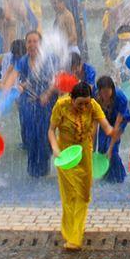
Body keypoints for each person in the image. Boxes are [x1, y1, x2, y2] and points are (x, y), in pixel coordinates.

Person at [49, 79, 115, 250]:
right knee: (70, 194)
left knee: (84, 196)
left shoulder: (92, 105)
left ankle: (73, 230)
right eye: (80, 104)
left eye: (86, 103)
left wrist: (112, 132)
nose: (84, 107)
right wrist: (56, 150)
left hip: (85, 152)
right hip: (66, 155)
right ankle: (73, 236)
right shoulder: (60, 106)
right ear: (72, 99)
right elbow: (51, 130)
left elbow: (106, 126)